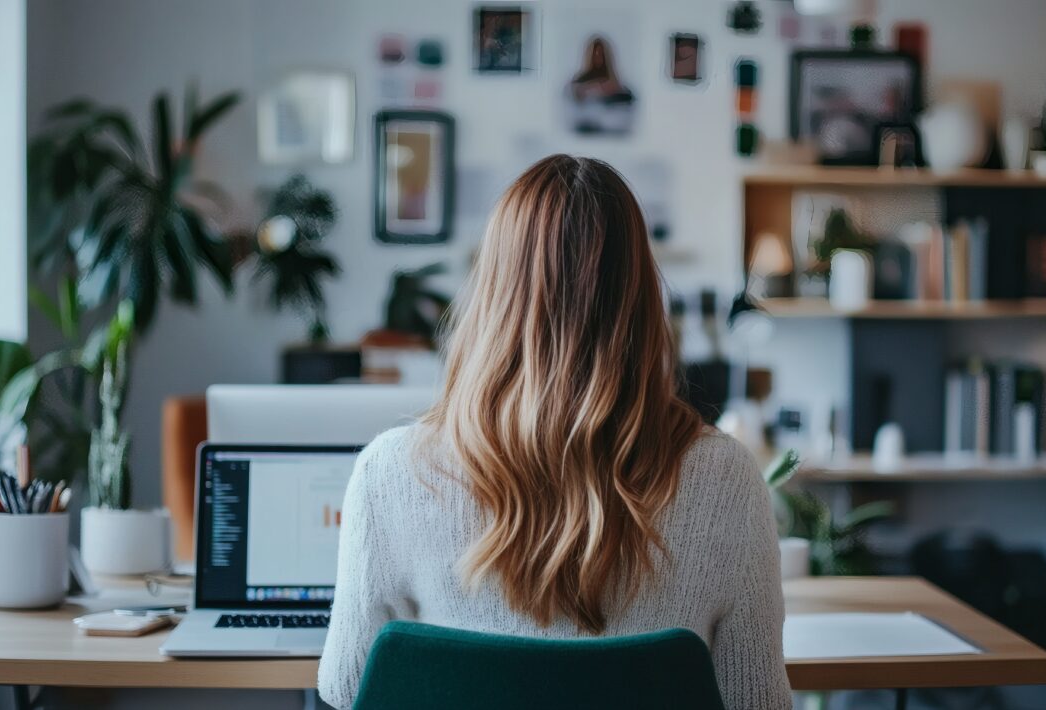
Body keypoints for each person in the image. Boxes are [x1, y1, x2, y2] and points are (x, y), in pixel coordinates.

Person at [318, 155, 791, 709]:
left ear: (492, 295)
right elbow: (754, 702)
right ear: (640, 299)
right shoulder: (726, 479)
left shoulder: (391, 473)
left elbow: (348, 688)